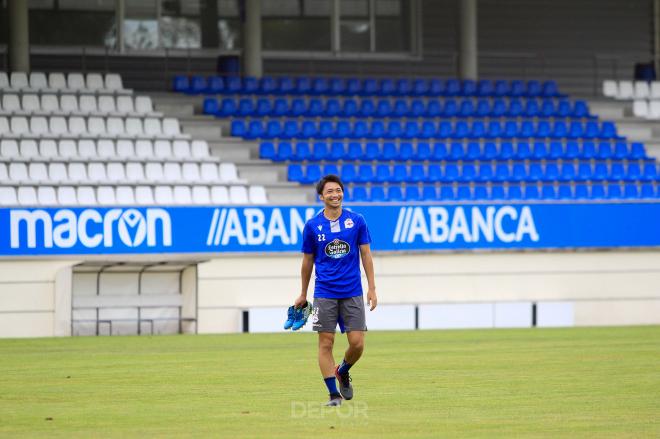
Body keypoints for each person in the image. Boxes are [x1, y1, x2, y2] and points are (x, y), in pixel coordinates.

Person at [294, 174, 377, 406]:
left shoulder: (357, 220)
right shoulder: (312, 226)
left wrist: (372, 287)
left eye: (338, 190)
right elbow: (307, 261)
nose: (335, 194)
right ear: (321, 196)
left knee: (358, 343)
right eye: (330, 191)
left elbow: (366, 255)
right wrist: (303, 293)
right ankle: (333, 395)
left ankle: (343, 370)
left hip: (352, 291)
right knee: (325, 343)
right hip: (324, 292)